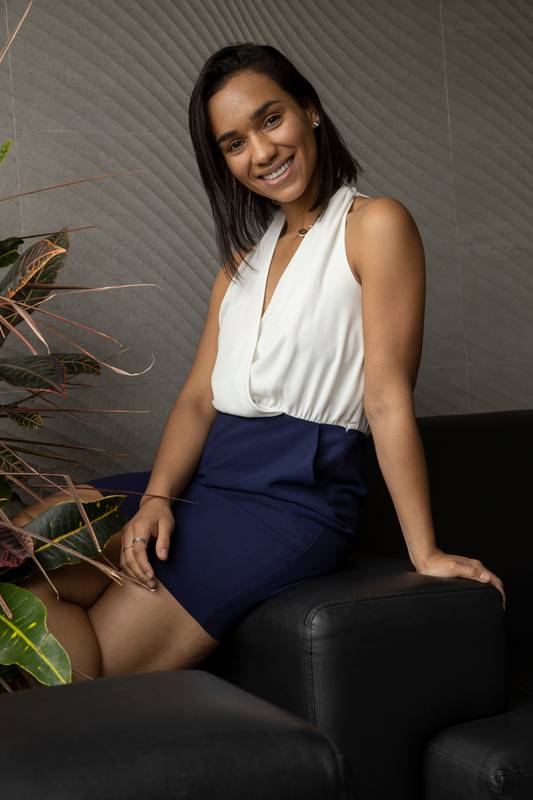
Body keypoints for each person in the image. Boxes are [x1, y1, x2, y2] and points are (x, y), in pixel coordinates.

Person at [14, 43, 505, 685]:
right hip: (210, 481)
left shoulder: (375, 225)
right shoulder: (237, 267)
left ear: (311, 110)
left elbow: (386, 397)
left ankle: (79, 727)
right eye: (234, 143)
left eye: (270, 120)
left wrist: (425, 550)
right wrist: (158, 497)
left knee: (79, 665)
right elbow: (197, 401)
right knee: (20, 554)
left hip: (290, 502)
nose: (261, 152)